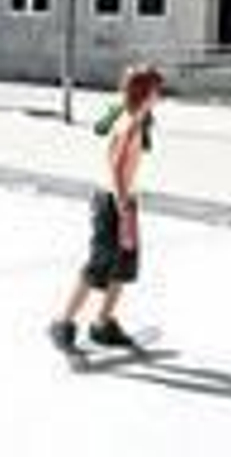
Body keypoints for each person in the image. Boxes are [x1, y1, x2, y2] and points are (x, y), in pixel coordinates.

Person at [49, 63, 165, 352]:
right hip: (113, 201)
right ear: (145, 92)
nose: (160, 95)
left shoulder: (137, 118)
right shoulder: (128, 122)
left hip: (125, 199)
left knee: (123, 266)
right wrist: (124, 209)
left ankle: (103, 324)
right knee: (98, 265)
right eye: (156, 90)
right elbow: (114, 166)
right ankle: (62, 323)